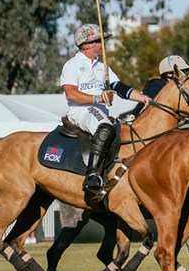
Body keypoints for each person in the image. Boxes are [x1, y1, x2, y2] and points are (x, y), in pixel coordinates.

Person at [60, 23, 152, 193]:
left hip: (98, 112)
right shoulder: (72, 65)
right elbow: (70, 94)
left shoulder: (103, 67)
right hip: (81, 111)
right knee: (105, 128)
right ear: (87, 44)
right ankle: (92, 176)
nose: (103, 45)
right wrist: (98, 98)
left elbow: (120, 87)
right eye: (100, 41)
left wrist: (144, 98)